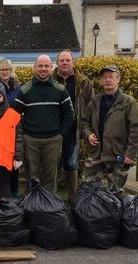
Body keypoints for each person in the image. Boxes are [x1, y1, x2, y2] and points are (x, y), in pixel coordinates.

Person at [13, 54, 74, 192]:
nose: (43, 69)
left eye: (46, 66)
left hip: (53, 140)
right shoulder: (25, 90)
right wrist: (23, 135)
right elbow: (15, 116)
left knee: (50, 177)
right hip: (31, 140)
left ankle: (49, 207)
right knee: (31, 175)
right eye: (40, 66)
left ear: (51, 68)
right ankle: (32, 205)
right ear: (35, 68)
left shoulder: (60, 89)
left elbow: (70, 113)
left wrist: (61, 135)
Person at [81, 64, 138, 196]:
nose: (108, 80)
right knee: (88, 189)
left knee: (115, 194)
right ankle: (92, 215)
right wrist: (88, 134)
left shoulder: (128, 102)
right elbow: (84, 122)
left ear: (118, 79)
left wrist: (130, 153)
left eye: (111, 77)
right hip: (97, 153)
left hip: (118, 155)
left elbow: (135, 129)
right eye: (104, 77)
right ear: (101, 81)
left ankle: (114, 215)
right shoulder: (95, 101)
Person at [51, 49, 95, 201]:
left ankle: (73, 197)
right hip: (53, 130)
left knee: (71, 163)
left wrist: (88, 131)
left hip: (73, 130)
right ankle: (51, 198)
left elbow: (91, 107)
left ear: (73, 62)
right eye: (62, 60)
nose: (65, 63)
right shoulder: (49, 80)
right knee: (52, 165)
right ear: (57, 63)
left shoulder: (83, 82)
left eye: (67, 60)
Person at [0, 58, 22, 197]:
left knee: (13, 163)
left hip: (13, 126)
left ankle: (14, 192)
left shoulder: (18, 87)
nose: (4, 72)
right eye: (2, 69)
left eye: (7, 69)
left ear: (11, 71)